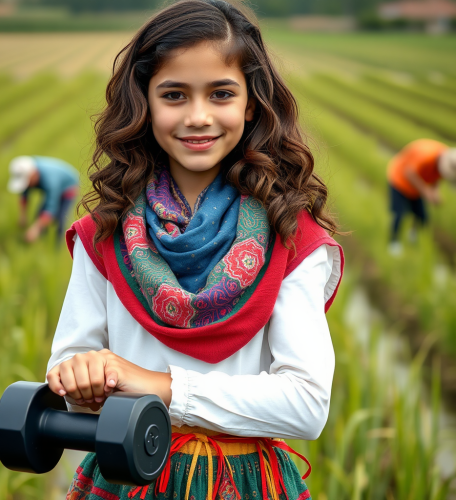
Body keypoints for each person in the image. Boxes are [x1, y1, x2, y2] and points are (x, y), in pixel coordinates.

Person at [46, 1, 344, 499]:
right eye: (174, 95)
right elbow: (70, 373)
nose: (198, 116)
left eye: (221, 93)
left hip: (243, 482)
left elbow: (306, 404)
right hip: (125, 475)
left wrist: (158, 386)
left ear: (250, 106)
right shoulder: (105, 235)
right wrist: (80, 373)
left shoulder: (292, 237)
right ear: (146, 102)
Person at [387, 139, 456, 255]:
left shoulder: (446, 157)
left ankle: (412, 234)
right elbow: (409, 172)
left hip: (416, 187)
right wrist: (425, 191)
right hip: (399, 180)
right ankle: (393, 242)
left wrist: (434, 191)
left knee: (422, 216)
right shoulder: (425, 156)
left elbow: (437, 175)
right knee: (399, 214)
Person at [7, 155, 79, 243]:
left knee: (60, 220)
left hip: (68, 187)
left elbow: (51, 209)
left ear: (33, 175)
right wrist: (23, 216)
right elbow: (24, 195)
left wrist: (35, 229)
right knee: (39, 215)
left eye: (27, 181)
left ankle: (59, 246)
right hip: (54, 186)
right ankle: (41, 241)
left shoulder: (50, 181)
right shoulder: (28, 172)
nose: (27, 185)